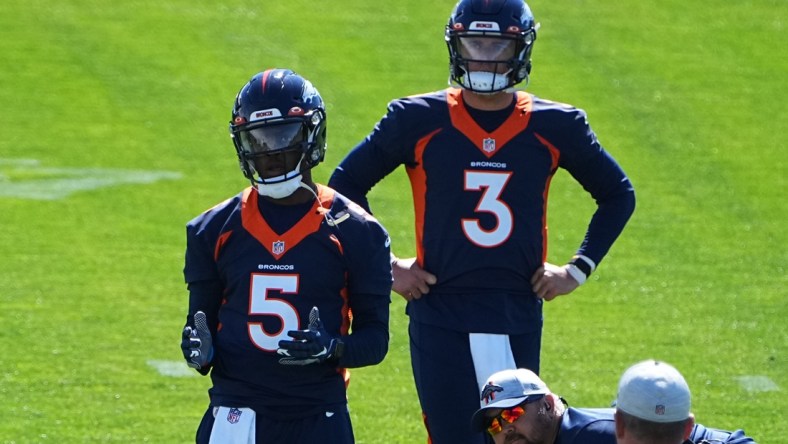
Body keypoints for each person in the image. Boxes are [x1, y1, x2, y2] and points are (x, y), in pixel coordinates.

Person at [327, 0, 636, 442]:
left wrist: (577, 270)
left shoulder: (555, 124)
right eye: (475, 43)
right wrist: (388, 265)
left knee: (517, 438)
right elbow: (345, 186)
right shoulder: (417, 119)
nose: (485, 56)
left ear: (521, 50)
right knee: (453, 436)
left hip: (514, 307)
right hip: (441, 310)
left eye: (498, 45)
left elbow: (617, 193)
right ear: (456, 44)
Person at [180, 68, 393, 443]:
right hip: (234, 414)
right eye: (258, 140)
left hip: (316, 414)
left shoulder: (357, 231)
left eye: (283, 137)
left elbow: (375, 340)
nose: (271, 153)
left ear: (312, 136)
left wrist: (332, 347)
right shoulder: (212, 229)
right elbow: (202, 326)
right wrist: (200, 349)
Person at [470, 366, 757, 444]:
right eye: (494, 424)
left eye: (513, 413)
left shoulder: (595, 436)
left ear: (547, 403)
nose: (505, 429)